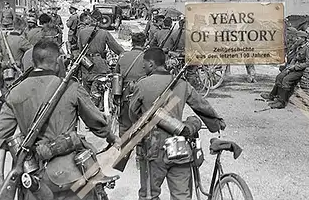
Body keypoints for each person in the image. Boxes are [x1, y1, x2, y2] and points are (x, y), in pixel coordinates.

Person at [0, 40, 119, 200]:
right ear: (58, 61)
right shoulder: (71, 87)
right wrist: (113, 138)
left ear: (34, 62)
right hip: (72, 175)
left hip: (34, 176)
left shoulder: (15, 93)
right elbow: (98, 125)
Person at [129, 47, 226, 200]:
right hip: (179, 146)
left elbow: (133, 114)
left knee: (149, 195)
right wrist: (216, 121)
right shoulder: (181, 84)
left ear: (152, 64)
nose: (143, 67)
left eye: (145, 63)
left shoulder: (143, 85)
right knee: (182, 196)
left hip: (153, 149)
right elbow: (200, 104)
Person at [261, 31, 309, 109]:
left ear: (303, 38)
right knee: (280, 76)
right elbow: (295, 58)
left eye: (298, 38)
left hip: (301, 70)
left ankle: (282, 102)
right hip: (293, 67)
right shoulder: (299, 46)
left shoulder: (308, 48)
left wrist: (295, 67)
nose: (296, 39)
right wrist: (289, 67)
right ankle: (273, 96)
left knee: (286, 80)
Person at [77, 11, 124, 91]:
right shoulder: (104, 33)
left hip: (86, 64)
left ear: (90, 19)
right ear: (100, 21)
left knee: (86, 91)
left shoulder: (82, 32)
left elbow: (80, 50)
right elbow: (118, 50)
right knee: (101, 90)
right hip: (99, 65)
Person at [115, 32, 146, 136]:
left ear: (132, 43)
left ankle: (123, 149)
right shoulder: (148, 58)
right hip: (142, 94)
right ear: (144, 43)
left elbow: (117, 75)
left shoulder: (123, 56)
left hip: (125, 95)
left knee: (124, 125)